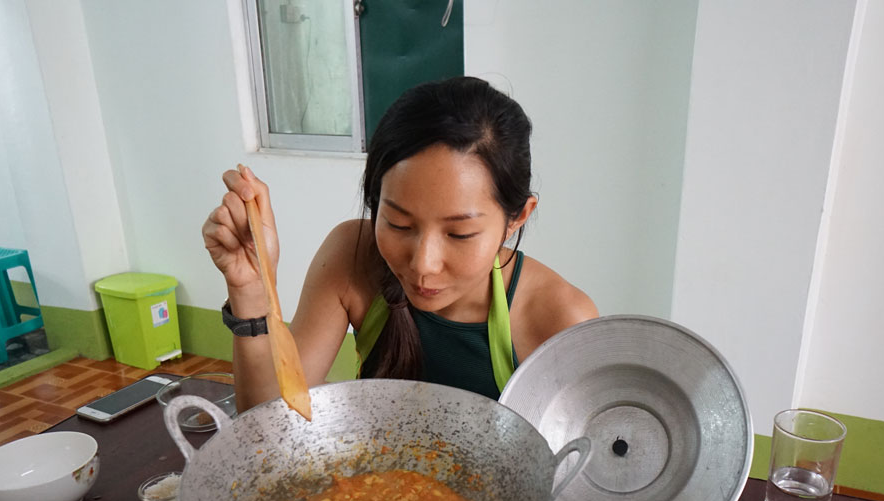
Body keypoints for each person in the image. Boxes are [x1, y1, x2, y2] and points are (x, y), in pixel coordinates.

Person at [203, 76, 597, 411]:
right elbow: (270, 422)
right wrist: (252, 292)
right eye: (398, 223)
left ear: (517, 217)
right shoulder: (352, 255)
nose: (423, 264)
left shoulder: (561, 320)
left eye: (459, 234)